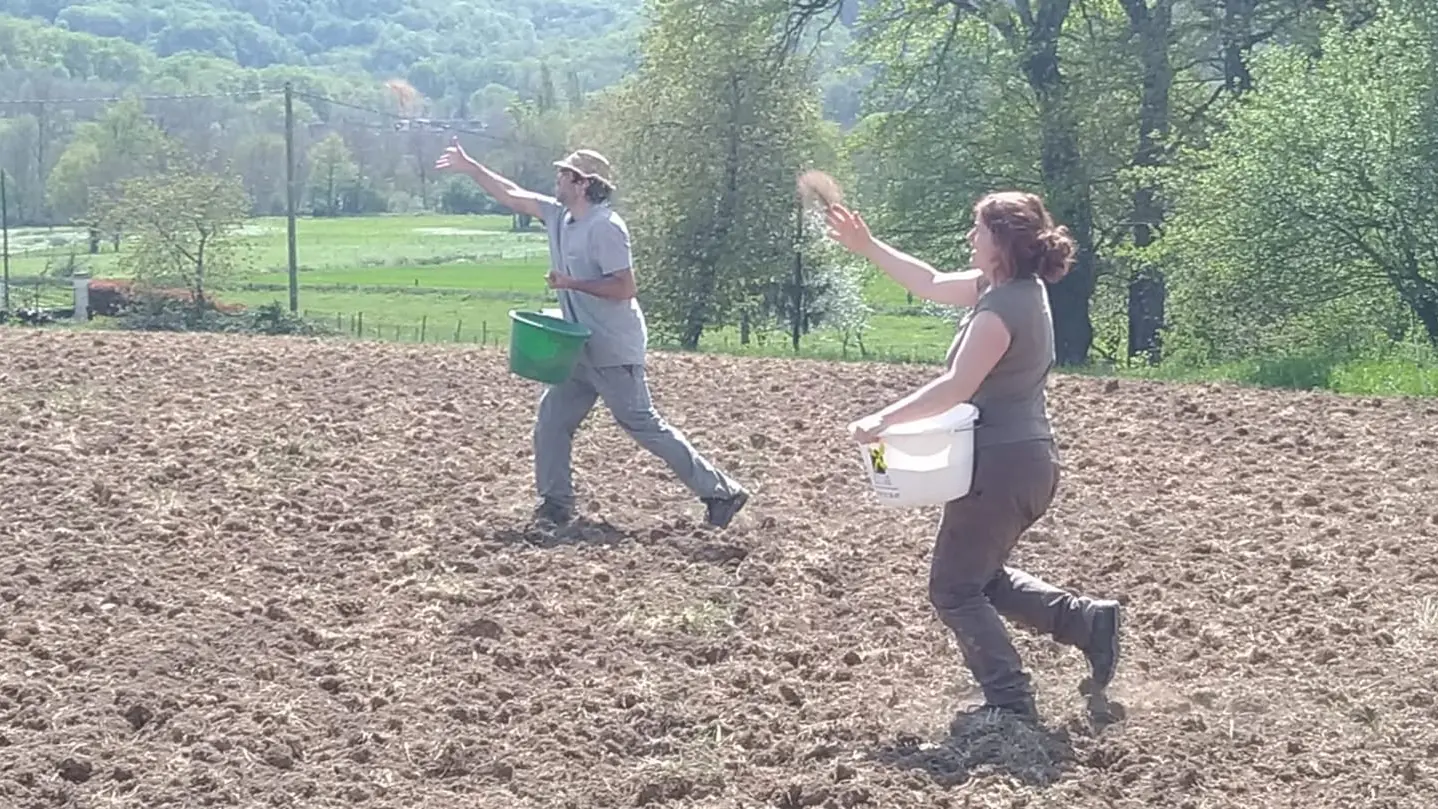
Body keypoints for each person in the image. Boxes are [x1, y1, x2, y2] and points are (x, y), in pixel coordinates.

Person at [825, 191, 1121, 720]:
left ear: (1002, 240)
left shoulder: (1001, 310)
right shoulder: (1006, 288)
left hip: (1002, 466)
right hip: (1021, 461)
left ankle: (1010, 699)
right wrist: (869, 247)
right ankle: (1084, 623)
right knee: (978, 576)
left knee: (954, 588)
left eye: (978, 229)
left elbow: (957, 385)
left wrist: (884, 420)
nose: (970, 237)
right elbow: (932, 283)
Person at [434, 137, 750, 529]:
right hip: (577, 347)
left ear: (582, 182)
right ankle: (556, 503)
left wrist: (571, 283)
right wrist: (471, 168)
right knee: (552, 420)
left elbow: (625, 288)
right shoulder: (557, 216)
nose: (557, 179)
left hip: (614, 349)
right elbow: (513, 195)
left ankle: (722, 491)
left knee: (643, 425)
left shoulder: (606, 228)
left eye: (563, 174)